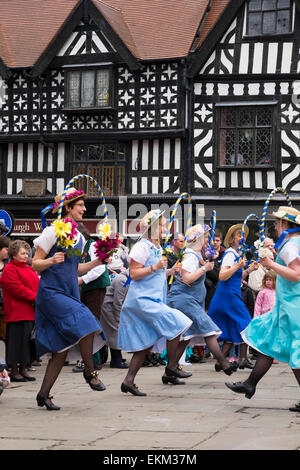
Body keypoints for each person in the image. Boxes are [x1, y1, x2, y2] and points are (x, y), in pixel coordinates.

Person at [32, 187, 109, 411]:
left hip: (69, 291)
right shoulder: (52, 232)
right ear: (67, 208)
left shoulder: (79, 238)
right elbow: (35, 263)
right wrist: (50, 261)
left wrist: (97, 262)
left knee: (61, 348)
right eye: (80, 206)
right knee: (87, 322)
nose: (85, 209)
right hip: (51, 293)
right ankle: (89, 371)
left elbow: (75, 268)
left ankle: (43, 395)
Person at [225, 206, 300, 412]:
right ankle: (250, 383)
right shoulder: (295, 242)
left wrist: (271, 264)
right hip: (287, 305)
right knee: (268, 342)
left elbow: (296, 274)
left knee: (296, 352)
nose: (275, 226)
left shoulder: (289, 245)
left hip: (293, 308)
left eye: (277, 222)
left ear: (285, 224)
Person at [118, 209, 192, 396]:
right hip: (142, 301)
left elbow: (155, 273)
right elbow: (133, 274)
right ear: (151, 227)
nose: (165, 227)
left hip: (154, 299)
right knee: (179, 324)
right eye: (161, 224)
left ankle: (128, 381)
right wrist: (154, 267)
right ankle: (172, 367)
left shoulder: (157, 248)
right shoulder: (141, 247)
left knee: (147, 343)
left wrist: (168, 271)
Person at [167, 224, 237, 378]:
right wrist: (205, 268)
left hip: (189, 300)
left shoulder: (195, 255)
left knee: (187, 336)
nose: (208, 240)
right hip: (184, 300)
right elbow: (186, 278)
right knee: (208, 329)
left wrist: (207, 263)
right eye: (206, 237)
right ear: (198, 239)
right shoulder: (191, 256)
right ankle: (223, 363)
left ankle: (170, 370)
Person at [208, 223, 259, 370]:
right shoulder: (230, 254)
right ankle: (242, 358)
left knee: (232, 329)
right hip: (228, 297)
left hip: (232, 295)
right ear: (232, 238)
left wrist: (249, 269)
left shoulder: (237, 254)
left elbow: (236, 277)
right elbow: (222, 276)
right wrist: (237, 266)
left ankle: (220, 362)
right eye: (238, 235)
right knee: (247, 324)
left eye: (243, 235)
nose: (242, 238)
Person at [73, 224, 111, 373]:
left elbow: (100, 268)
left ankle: (94, 360)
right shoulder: (78, 248)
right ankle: (89, 358)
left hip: (95, 288)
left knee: (91, 322)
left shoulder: (93, 244)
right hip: (84, 289)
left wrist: (82, 280)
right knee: (85, 323)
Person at [1, 240, 39, 382]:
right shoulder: (10, 269)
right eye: (22, 253)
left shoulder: (28, 268)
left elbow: (36, 284)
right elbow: (17, 289)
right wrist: (36, 297)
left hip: (29, 310)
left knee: (26, 342)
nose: (25, 256)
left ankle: (24, 368)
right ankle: (14, 370)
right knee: (16, 342)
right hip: (17, 311)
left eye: (27, 253)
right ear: (14, 254)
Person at [101, 269, 130, 368]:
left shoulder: (127, 279)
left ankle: (117, 357)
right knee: (115, 331)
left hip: (112, 306)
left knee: (114, 332)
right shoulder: (123, 280)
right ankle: (116, 359)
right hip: (110, 308)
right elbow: (118, 303)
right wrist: (119, 320)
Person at [204, 228, 225, 310]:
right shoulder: (205, 252)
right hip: (206, 287)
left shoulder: (224, 254)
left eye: (217, 240)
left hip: (219, 287)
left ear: (221, 241)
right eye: (213, 240)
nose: (215, 242)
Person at [0, 236, 10, 342]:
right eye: (6, 249)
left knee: (5, 336)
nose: (8, 252)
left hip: (4, 306)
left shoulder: (8, 265)